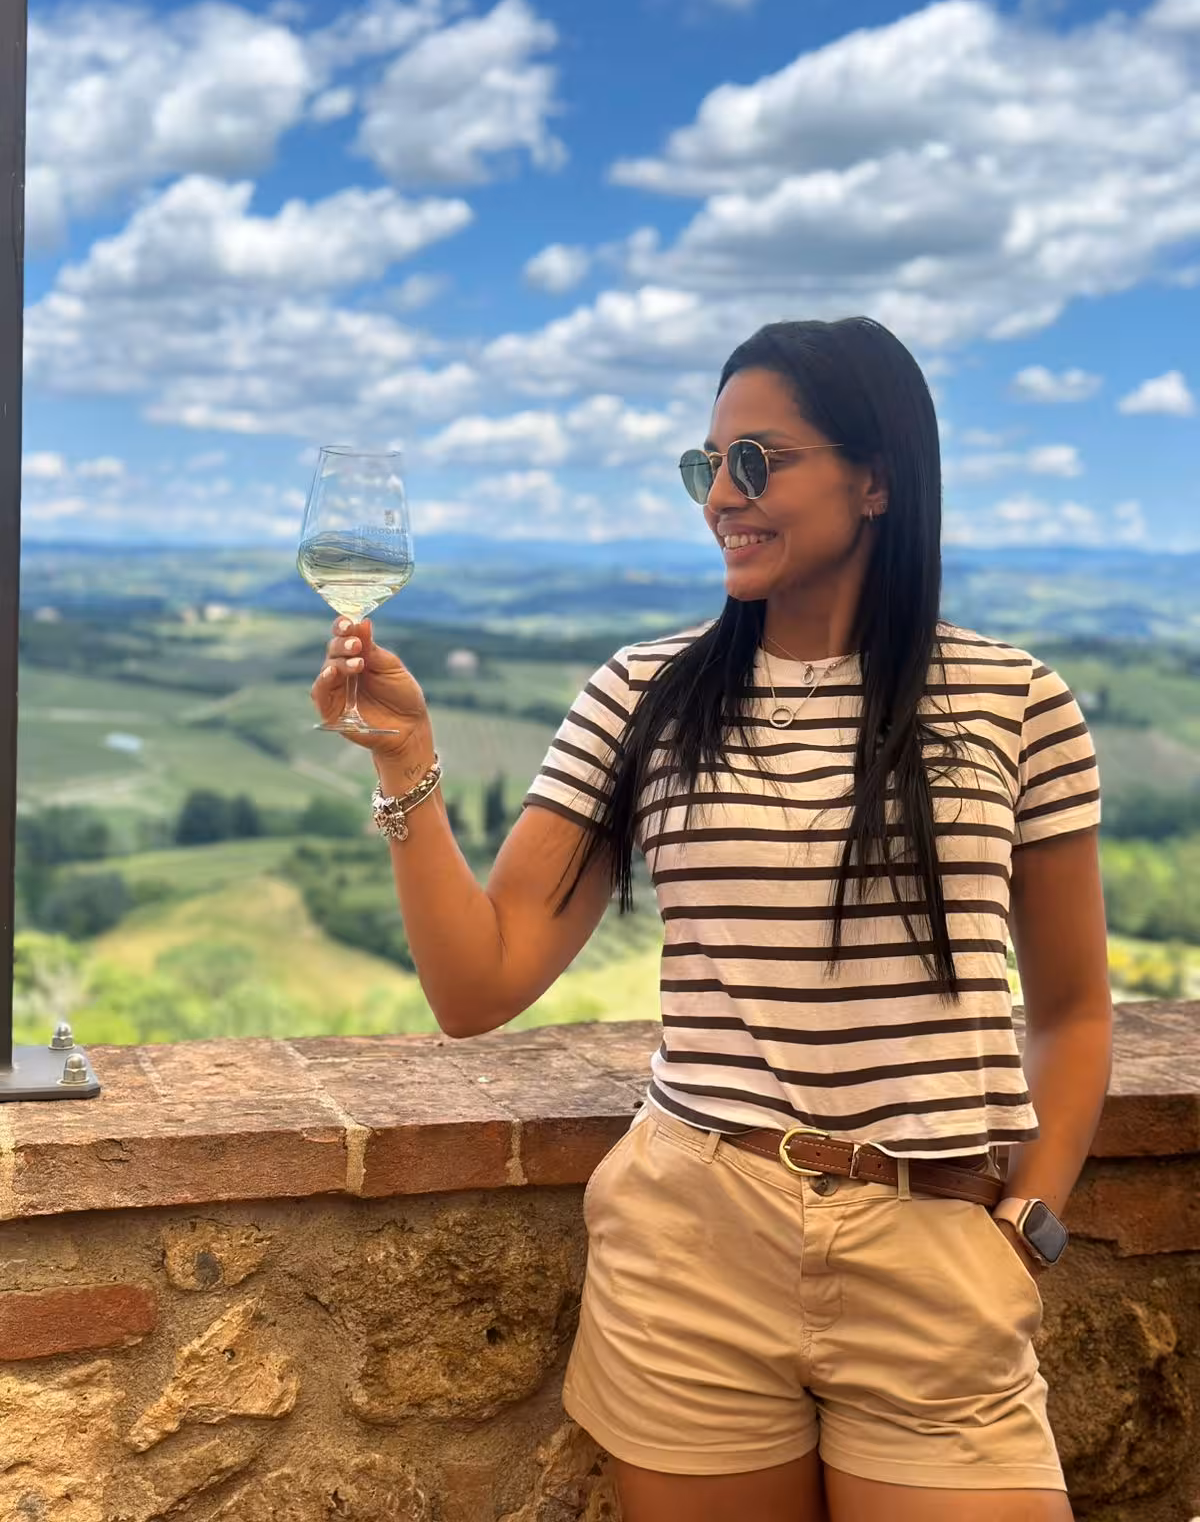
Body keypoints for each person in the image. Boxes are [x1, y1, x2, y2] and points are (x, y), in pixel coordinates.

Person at [311, 316, 1112, 1522]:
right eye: (707, 466)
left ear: (878, 477)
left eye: (760, 461)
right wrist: (407, 759)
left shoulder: (1014, 700)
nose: (722, 497)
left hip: (935, 1247)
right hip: (696, 1246)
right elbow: (479, 986)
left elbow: (1074, 1006)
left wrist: (1023, 1227)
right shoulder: (644, 696)